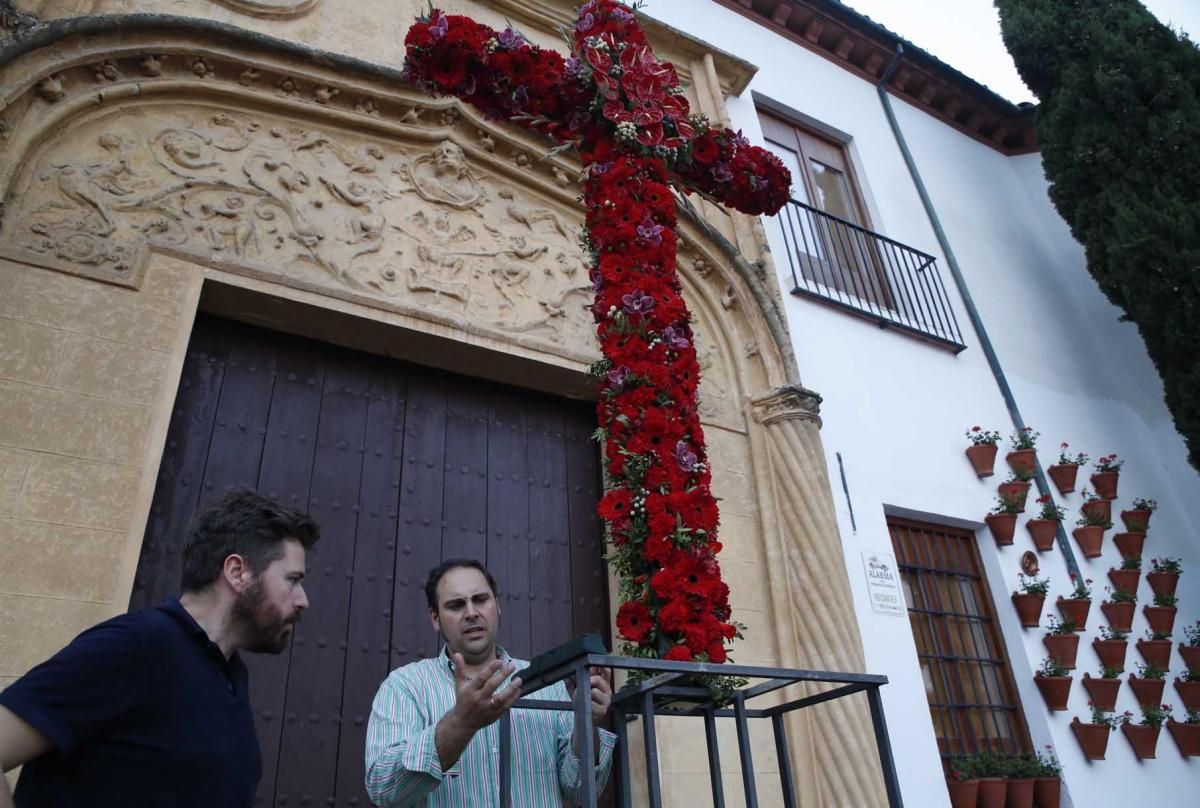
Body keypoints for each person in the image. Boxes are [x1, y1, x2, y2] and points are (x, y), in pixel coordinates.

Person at [0, 489, 319, 808]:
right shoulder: (136, 646)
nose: (303, 600)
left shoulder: (232, 675)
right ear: (237, 573)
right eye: (292, 580)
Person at [365, 559, 616, 807]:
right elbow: (384, 789)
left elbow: (581, 792)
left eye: (480, 599)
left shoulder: (547, 682)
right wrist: (460, 724)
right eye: (455, 605)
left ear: (497, 605)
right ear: (435, 618)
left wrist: (586, 721)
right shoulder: (405, 686)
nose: (471, 612)